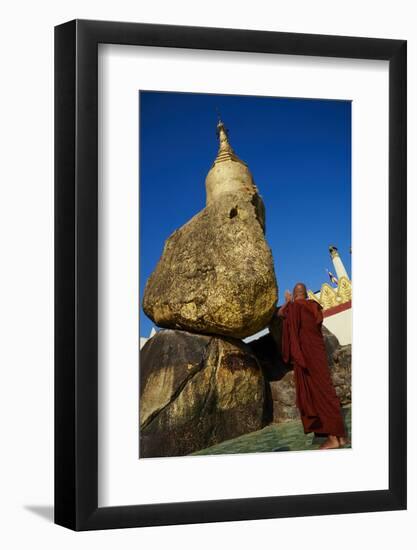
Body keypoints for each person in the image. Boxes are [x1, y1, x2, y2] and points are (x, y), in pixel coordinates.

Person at [277, 282, 347, 449]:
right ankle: (341, 437)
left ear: (294, 295)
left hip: (306, 359)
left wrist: (287, 302)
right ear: (307, 294)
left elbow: (280, 314)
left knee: (319, 395)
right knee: (328, 392)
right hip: (319, 356)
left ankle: (333, 439)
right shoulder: (314, 306)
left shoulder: (293, 308)